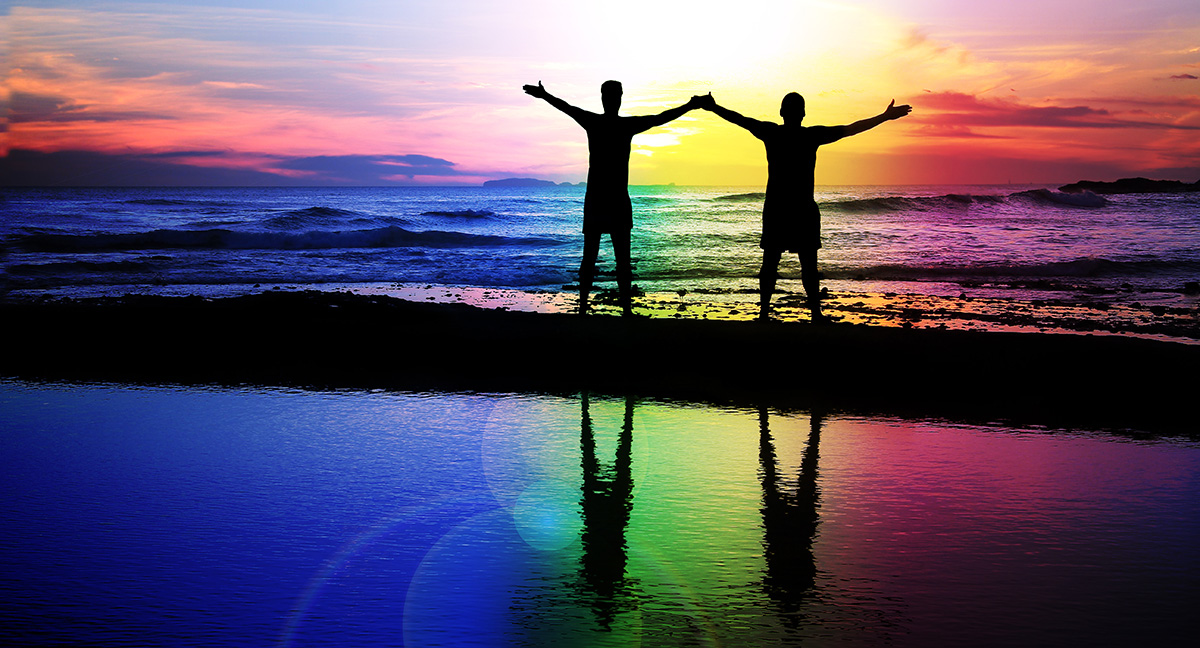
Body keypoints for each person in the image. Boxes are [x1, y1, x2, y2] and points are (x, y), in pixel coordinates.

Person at [703, 92, 911, 322]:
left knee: (773, 263)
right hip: (800, 209)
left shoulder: (773, 133)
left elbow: (738, 118)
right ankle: (813, 314)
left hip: (778, 209)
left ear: (782, 112)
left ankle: (765, 313)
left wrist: (714, 107)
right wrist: (883, 117)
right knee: (806, 265)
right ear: (803, 113)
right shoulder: (811, 135)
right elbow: (851, 128)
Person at [524, 80, 707, 315]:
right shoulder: (604, 123)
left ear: (619, 98)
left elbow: (660, 117)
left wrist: (688, 106)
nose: (612, 99)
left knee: (615, 258)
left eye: (615, 95)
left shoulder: (613, 124)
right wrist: (546, 95)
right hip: (603, 200)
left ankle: (614, 309)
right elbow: (567, 107)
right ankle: (591, 307)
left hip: (610, 200)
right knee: (595, 256)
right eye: (610, 95)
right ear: (604, 97)